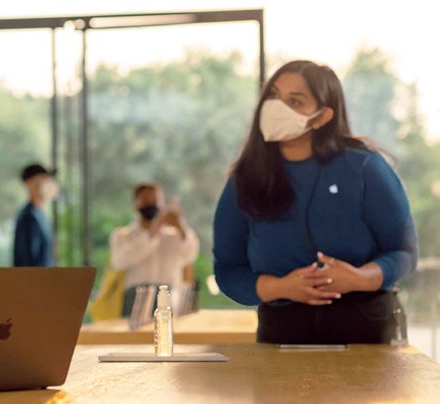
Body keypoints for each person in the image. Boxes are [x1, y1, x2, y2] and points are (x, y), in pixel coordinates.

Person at [213, 60, 418, 344]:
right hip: (282, 331)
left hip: (367, 328)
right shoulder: (244, 180)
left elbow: (404, 252)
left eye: (295, 101)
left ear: (322, 117)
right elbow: (227, 270)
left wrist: (361, 278)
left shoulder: (364, 167)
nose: (276, 107)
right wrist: (281, 287)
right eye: (272, 95)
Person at [110, 182, 200, 317]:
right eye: (145, 200)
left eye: (155, 200)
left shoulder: (174, 235)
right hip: (136, 297)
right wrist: (152, 233)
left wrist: (181, 227)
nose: (151, 204)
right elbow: (120, 262)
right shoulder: (123, 235)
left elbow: (190, 254)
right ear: (136, 204)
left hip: (169, 295)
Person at [13, 163, 58, 267]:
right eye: (43, 179)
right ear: (29, 184)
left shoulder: (41, 216)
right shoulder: (28, 217)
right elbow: (26, 263)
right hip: (33, 282)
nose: (49, 184)